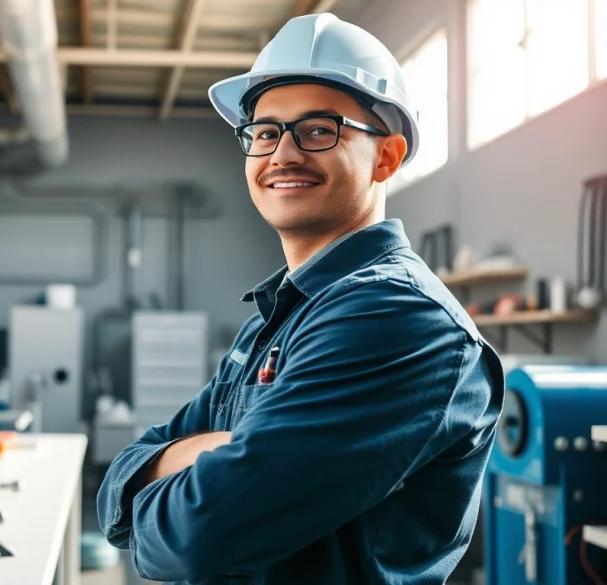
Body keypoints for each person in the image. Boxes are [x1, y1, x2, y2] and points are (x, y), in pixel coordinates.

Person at [96, 12, 504, 585]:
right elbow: (117, 478)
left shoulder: (399, 319)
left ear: (385, 156)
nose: (282, 154)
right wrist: (170, 458)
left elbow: (196, 539)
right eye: (264, 133)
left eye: (318, 130)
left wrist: (184, 466)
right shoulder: (278, 317)